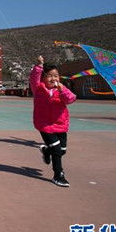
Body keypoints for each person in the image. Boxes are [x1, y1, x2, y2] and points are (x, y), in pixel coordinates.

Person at [30, 55, 77, 187]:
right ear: (43, 78)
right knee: (56, 149)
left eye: (56, 76)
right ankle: (58, 176)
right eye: (49, 76)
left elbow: (70, 99)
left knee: (62, 150)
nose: (53, 79)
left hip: (60, 124)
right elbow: (34, 77)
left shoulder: (61, 89)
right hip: (44, 124)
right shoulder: (38, 88)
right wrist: (39, 66)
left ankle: (46, 151)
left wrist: (62, 91)